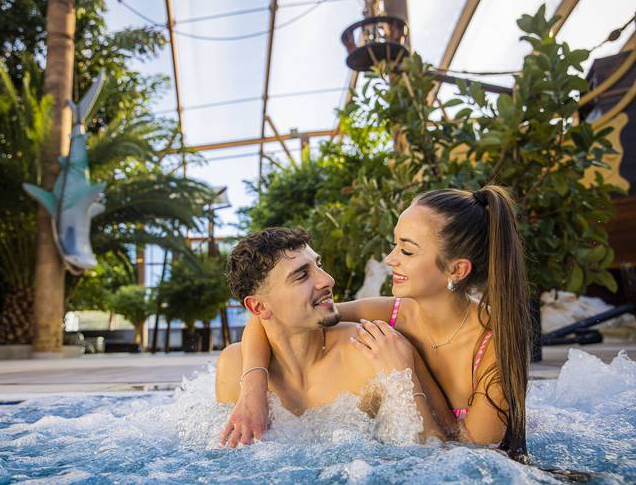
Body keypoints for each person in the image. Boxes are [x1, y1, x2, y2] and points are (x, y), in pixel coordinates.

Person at [222, 186, 530, 459]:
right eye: (395, 244)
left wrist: (402, 374)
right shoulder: (388, 313)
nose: (390, 259)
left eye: (407, 250)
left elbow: (470, 459)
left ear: (457, 270)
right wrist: (253, 390)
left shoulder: (495, 345)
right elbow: (278, 318)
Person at [215, 227, 456, 447]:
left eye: (318, 265)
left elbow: (443, 447)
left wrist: (402, 379)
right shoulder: (234, 367)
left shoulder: (375, 349)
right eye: (301, 275)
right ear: (258, 307)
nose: (328, 280)